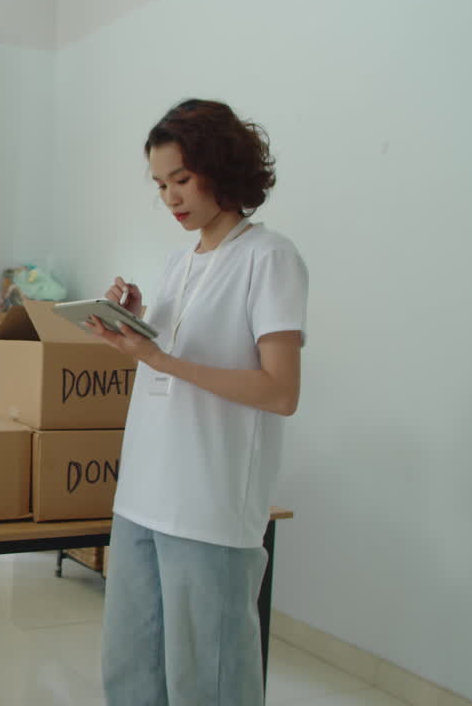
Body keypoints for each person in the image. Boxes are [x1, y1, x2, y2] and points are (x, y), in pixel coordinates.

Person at [88, 99, 308, 706]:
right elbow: (165, 361)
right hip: (141, 493)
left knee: (208, 681)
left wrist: (161, 359)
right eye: (160, 185)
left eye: (181, 180)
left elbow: (280, 391)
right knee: (131, 670)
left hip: (208, 501)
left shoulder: (270, 257)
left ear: (221, 168)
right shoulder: (177, 263)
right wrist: (129, 326)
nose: (171, 198)